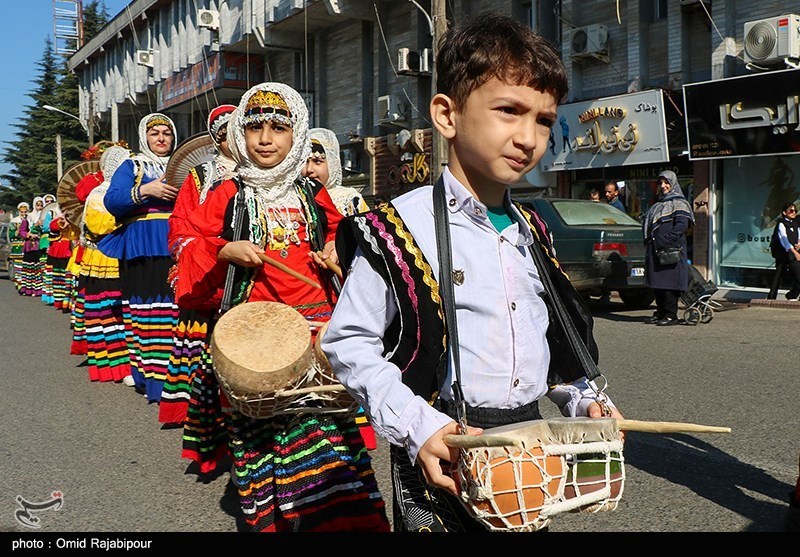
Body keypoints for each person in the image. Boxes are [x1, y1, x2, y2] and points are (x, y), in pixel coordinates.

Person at [321, 12, 624, 533]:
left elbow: (547, 346)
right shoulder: (397, 228)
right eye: (509, 110)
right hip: (444, 448)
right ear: (447, 114)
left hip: (528, 446)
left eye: (544, 119)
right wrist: (419, 427)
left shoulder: (534, 230)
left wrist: (583, 400)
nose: (528, 137)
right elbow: (347, 344)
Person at [173, 82, 390, 532]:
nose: (265, 139)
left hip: (315, 327)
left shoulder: (313, 193)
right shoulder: (228, 191)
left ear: (298, 134)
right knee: (266, 432)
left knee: (325, 429)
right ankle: (276, 518)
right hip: (256, 332)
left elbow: (344, 237)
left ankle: (340, 521)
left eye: (278, 128)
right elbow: (190, 239)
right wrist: (224, 250)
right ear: (240, 135)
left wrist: (334, 253)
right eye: (254, 129)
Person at [165, 104, 236, 445]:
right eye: (223, 136)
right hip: (212, 272)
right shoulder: (202, 176)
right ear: (215, 139)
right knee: (210, 354)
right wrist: (202, 251)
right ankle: (214, 427)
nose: (231, 141)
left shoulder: (273, 173)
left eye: (238, 132)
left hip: (257, 274)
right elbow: (182, 223)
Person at [303, 127, 377, 451]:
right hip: (317, 285)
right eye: (305, 161)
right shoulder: (301, 194)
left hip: (346, 283)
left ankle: (357, 428)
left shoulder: (349, 198)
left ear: (333, 160)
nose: (311, 168)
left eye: (318, 160)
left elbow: (367, 244)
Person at [99, 113, 180, 403]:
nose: (161, 138)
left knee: (175, 312)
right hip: (142, 245)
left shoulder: (184, 167)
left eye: (166, 133)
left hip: (177, 244)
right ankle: (150, 379)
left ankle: (176, 382)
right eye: (154, 132)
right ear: (144, 136)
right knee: (147, 313)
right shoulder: (132, 165)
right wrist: (146, 189)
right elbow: (112, 201)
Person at [81, 144, 136, 385]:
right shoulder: (99, 193)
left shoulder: (130, 191)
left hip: (123, 257)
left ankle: (129, 364)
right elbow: (97, 225)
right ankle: (113, 365)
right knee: (108, 312)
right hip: (103, 259)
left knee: (127, 311)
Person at [642, 170, 694, 326]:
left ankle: (671, 315)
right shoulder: (659, 203)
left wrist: (665, 240)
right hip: (656, 251)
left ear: (673, 184)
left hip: (670, 251)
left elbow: (682, 226)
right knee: (658, 285)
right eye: (661, 183)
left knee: (669, 285)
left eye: (667, 182)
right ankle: (661, 313)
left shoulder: (679, 203)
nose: (663, 186)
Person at [769, 202, 800, 300]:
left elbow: (799, 235)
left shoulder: (796, 223)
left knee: (798, 274)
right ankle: (771, 297)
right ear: (784, 212)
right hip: (784, 253)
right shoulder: (781, 223)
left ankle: (792, 294)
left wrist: (799, 245)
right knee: (778, 275)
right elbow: (784, 240)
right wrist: (795, 252)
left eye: (795, 210)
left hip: (793, 253)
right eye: (791, 210)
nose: (793, 212)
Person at [8, 202, 29, 290]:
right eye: (22, 211)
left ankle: (25, 284)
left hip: (27, 245)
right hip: (17, 245)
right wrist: (15, 233)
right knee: (18, 266)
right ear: (19, 211)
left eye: (25, 211)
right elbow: (11, 234)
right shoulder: (14, 221)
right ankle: (19, 283)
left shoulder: (30, 219)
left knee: (26, 266)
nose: (23, 213)